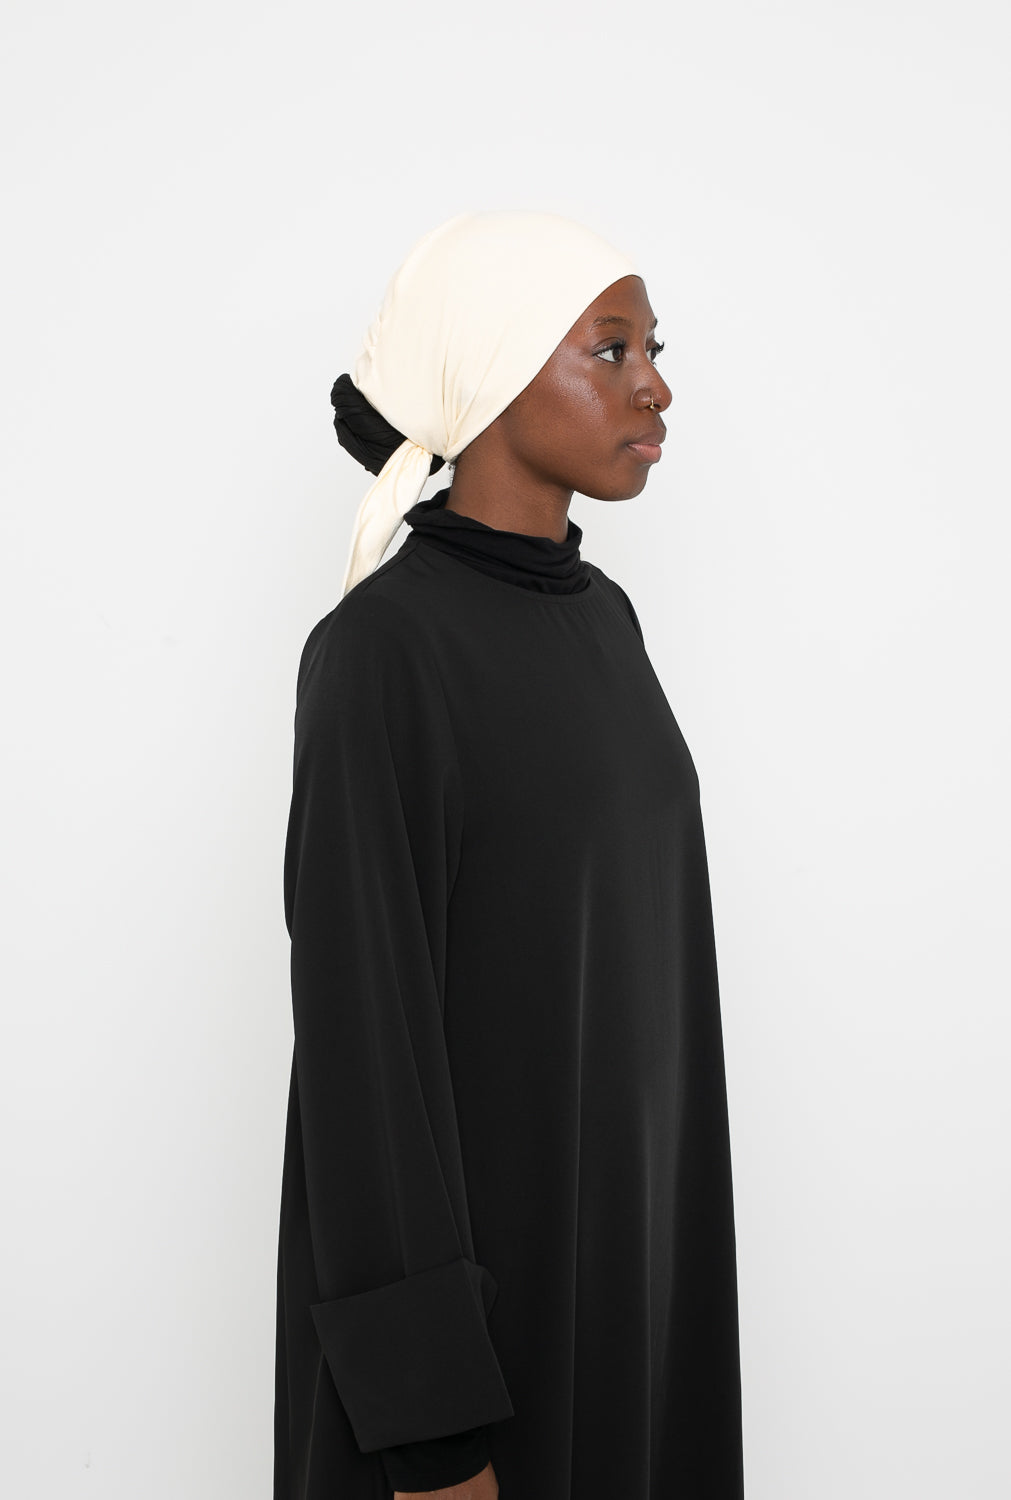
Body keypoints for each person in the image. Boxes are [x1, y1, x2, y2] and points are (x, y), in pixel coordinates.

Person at [274, 210, 744, 1500]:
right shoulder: (383, 655)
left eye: (653, 349)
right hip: (474, 1361)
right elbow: (364, 1052)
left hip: (628, 1300)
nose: (655, 387)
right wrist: (433, 1429)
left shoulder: (605, 623)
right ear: (491, 369)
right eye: (611, 349)